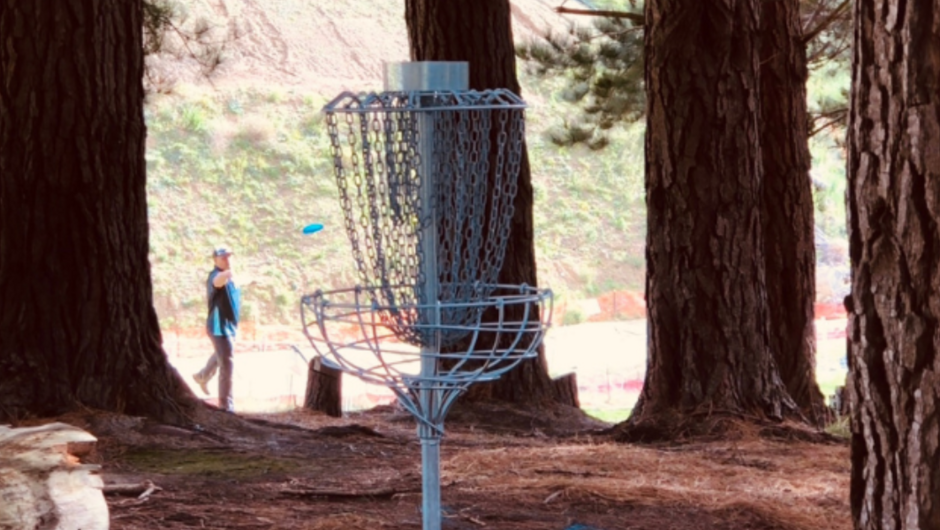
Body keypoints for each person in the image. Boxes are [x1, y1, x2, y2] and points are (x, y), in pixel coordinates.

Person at [193, 247, 241, 413]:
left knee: (222, 355)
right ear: (215, 260)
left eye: (229, 256)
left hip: (229, 327)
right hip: (218, 327)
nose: (227, 259)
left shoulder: (232, 277)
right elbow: (218, 281)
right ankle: (226, 406)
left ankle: (202, 376)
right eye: (223, 257)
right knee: (227, 364)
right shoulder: (216, 276)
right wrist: (229, 272)